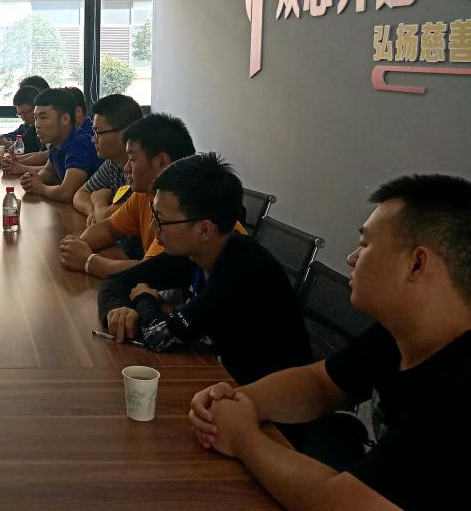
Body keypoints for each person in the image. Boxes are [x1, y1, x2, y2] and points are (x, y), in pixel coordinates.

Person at [188, 174, 471, 510]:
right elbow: (321, 384)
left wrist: (242, 438)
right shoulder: (399, 331)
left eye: (365, 244)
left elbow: (343, 503)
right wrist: (238, 401)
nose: (351, 258)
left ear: (417, 264)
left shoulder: (459, 389)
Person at [97, 153, 311, 385]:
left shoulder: (242, 272)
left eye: (160, 220)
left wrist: (144, 297)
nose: (152, 228)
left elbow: (158, 336)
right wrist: (117, 309)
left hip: (260, 397)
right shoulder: (196, 251)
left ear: (205, 230)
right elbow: (116, 280)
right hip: (216, 379)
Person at [58, 112, 200, 277]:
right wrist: (79, 245)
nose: (126, 169)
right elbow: (108, 228)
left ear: (161, 161)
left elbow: (152, 271)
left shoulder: (181, 207)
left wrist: (88, 261)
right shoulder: (144, 194)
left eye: (132, 160)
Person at [18, 88, 102, 204]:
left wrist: (40, 188)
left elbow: (67, 193)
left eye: (43, 117)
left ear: (65, 119)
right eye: (36, 118)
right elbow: (49, 172)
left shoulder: (79, 144)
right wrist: (33, 179)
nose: (37, 125)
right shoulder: (56, 142)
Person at [72, 94, 143, 224]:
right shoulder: (113, 163)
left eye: (98, 132)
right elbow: (80, 195)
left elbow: (108, 219)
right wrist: (92, 211)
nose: (93, 139)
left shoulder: (142, 170)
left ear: (126, 133)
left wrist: (98, 201)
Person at [0, 86, 42, 162]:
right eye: (20, 114)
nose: (23, 118)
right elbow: (16, 138)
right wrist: (0, 140)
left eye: (26, 112)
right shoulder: (30, 127)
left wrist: (3, 160)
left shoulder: (42, 129)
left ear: (37, 108)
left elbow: (41, 156)